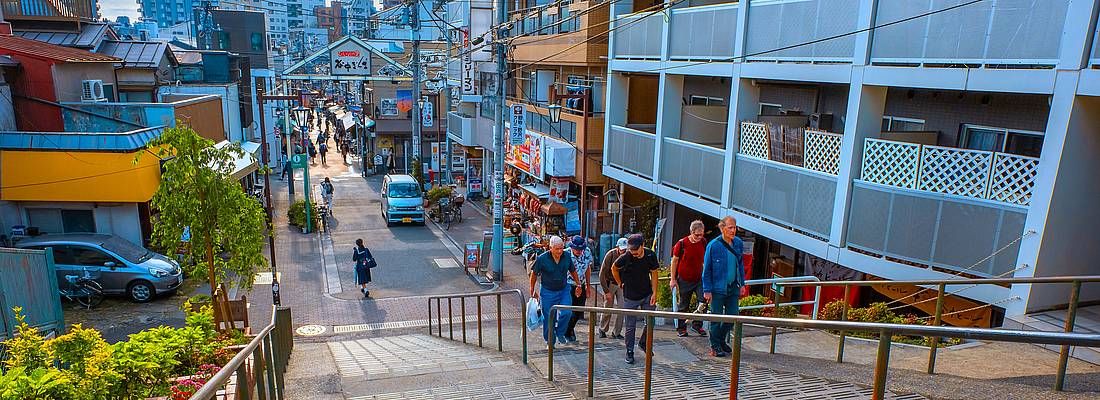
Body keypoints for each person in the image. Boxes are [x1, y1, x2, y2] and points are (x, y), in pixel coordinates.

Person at [612, 234, 660, 365]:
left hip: (646, 293)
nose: (633, 253)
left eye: (636, 250)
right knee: (630, 326)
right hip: (630, 296)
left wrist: (655, 292)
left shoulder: (650, 255)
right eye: (631, 250)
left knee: (650, 321)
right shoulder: (626, 256)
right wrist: (620, 282)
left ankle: (644, 343)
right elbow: (614, 268)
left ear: (642, 246)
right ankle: (629, 351)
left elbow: (654, 273)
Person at [702, 216, 745, 358]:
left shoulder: (738, 243)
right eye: (730, 227)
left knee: (733, 316)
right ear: (722, 228)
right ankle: (715, 346)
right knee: (716, 317)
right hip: (717, 287)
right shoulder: (713, 245)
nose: (733, 230)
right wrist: (707, 290)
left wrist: (742, 283)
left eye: (735, 227)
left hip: (733, 286)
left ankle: (719, 340)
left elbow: (740, 265)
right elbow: (707, 269)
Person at [529, 235, 581, 348]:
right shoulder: (542, 258)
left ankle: (560, 332)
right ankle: (550, 341)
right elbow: (534, 274)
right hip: (547, 291)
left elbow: (573, 271)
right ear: (550, 248)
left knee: (567, 312)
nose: (559, 251)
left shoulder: (567, 256)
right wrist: (532, 289)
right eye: (557, 249)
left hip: (563, 289)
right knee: (548, 317)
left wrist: (578, 284)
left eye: (561, 248)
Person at [670, 220, 709, 337]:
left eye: (702, 234)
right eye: (697, 235)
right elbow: (674, 261)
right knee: (683, 304)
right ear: (691, 232)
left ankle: (697, 324)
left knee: (703, 301)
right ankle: (681, 328)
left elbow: (704, 260)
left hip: (699, 278)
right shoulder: (681, 243)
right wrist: (673, 279)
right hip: (684, 278)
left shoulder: (703, 242)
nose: (699, 237)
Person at [563, 235, 593, 343]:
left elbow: (588, 269)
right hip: (568, 284)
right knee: (568, 310)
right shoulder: (565, 254)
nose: (579, 251)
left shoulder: (587, 252)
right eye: (576, 249)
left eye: (581, 249)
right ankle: (567, 330)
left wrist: (588, 286)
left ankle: (569, 329)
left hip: (581, 283)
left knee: (579, 310)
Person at [598, 237, 628, 339]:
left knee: (622, 307)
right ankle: (602, 329)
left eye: (625, 249)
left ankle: (616, 332)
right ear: (617, 248)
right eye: (622, 249)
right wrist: (606, 291)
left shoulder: (628, 256)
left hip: (622, 284)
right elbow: (602, 274)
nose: (623, 251)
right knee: (608, 306)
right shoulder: (610, 255)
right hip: (610, 283)